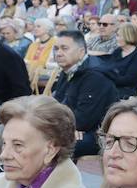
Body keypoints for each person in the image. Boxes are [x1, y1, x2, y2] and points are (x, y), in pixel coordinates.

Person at [50, 29, 117, 159]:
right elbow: (56, 105)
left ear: (81, 52)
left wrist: (62, 129)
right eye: (56, 48)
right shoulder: (69, 69)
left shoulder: (95, 76)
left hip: (99, 134)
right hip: (72, 127)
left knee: (51, 144)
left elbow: (84, 119)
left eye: (64, 48)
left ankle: (59, 179)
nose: (58, 53)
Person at [101, 21, 137, 100]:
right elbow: (108, 68)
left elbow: (127, 80)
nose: (116, 39)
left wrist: (109, 75)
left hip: (126, 90)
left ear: (128, 36)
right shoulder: (118, 51)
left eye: (119, 36)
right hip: (112, 85)